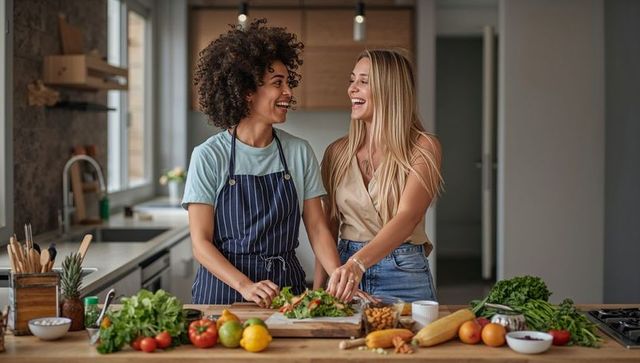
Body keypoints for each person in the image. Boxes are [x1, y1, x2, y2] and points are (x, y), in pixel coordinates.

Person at [183, 19, 350, 306]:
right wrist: (246, 286)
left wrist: (338, 279)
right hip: (223, 292)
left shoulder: (298, 151)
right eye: (278, 83)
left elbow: (317, 228)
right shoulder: (209, 155)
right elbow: (200, 243)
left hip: (286, 292)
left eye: (288, 82)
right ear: (247, 91)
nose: (289, 92)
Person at [317, 49, 443, 303]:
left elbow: (409, 217)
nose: (352, 89)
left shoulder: (423, 147)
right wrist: (320, 288)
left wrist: (358, 264)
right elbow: (329, 226)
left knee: (407, 343)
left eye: (363, 82)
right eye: (352, 80)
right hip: (345, 273)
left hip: (403, 272)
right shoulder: (336, 152)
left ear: (390, 90)